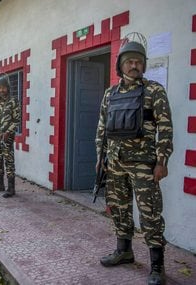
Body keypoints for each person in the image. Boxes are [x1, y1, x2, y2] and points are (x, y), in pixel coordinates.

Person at [95, 32, 173, 285]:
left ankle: (157, 266)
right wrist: (100, 156)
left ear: (143, 64)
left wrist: (162, 161)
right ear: (121, 64)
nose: (134, 65)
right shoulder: (110, 94)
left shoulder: (154, 91)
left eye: (138, 61)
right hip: (115, 161)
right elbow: (102, 126)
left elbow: (165, 126)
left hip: (144, 164)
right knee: (119, 208)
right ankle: (124, 250)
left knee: (150, 213)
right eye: (129, 61)